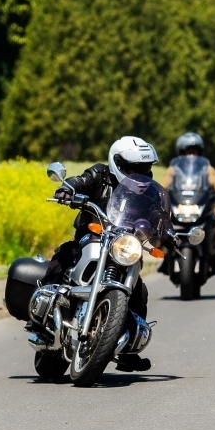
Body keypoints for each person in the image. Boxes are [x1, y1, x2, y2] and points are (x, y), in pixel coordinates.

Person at [41, 135, 158, 373]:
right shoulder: (101, 174)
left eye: (145, 168)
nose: (141, 173)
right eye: (135, 168)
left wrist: (171, 234)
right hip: (92, 237)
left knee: (139, 292)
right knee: (60, 261)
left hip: (123, 246)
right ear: (118, 163)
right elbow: (81, 180)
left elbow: (159, 213)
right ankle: (42, 322)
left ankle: (128, 351)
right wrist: (68, 188)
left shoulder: (148, 191)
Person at [160, 132, 215, 277]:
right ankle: (165, 259)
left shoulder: (207, 168)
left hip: (201, 206)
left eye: (194, 151)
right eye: (188, 151)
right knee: (161, 227)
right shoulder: (174, 168)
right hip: (180, 205)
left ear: (200, 151)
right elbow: (164, 184)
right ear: (182, 152)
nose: (192, 154)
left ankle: (214, 260)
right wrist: (158, 193)